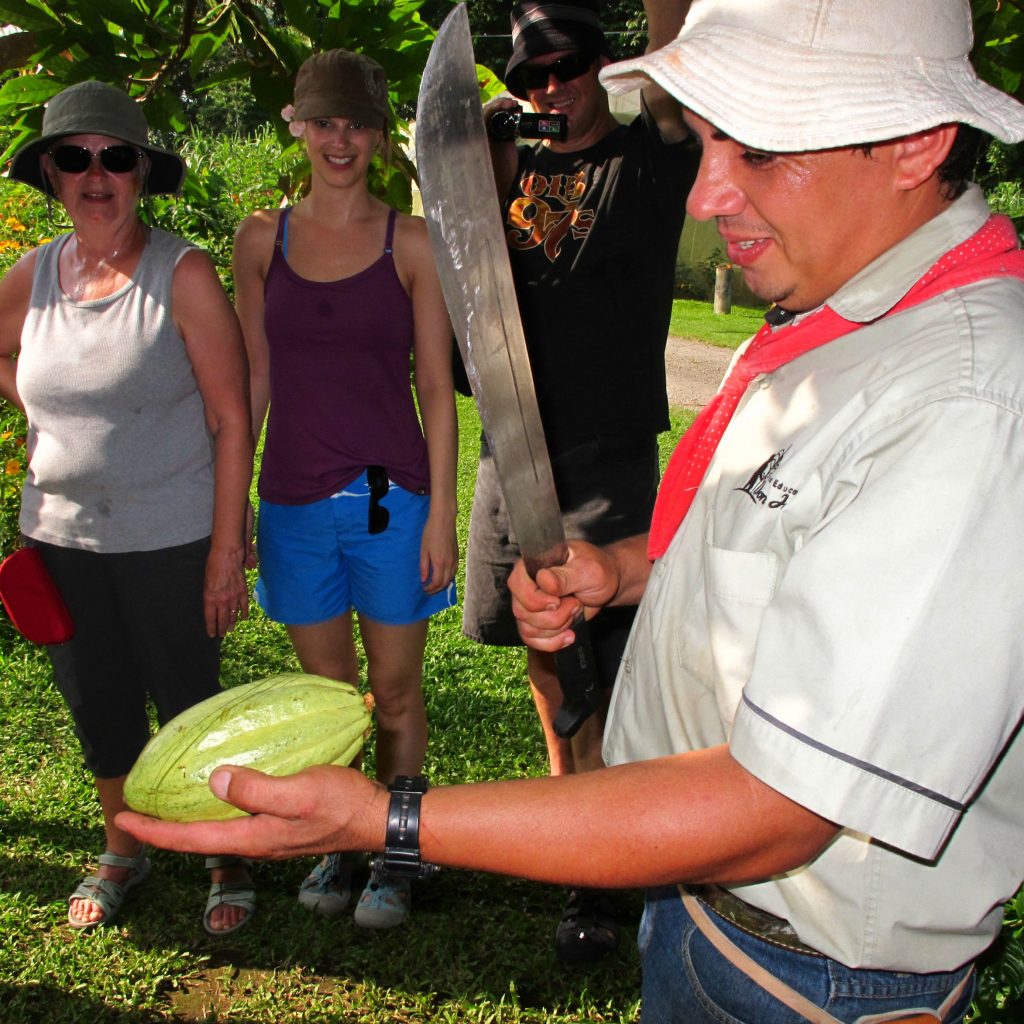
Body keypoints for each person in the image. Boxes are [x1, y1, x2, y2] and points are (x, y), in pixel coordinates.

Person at [119, 0, 1024, 1018]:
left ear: (915, 145)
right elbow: (799, 534)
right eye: (711, 138)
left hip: (809, 980)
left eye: (760, 150)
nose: (706, 194)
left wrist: (388, 818)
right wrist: (631, 568)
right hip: (704, 916)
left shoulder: (965, 400)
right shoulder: (841, 317)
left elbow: (778, 810)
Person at [462, 0, 698, 963]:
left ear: (605, 66)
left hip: (604, 450)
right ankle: (575, 813)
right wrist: (490, 152)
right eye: (529, 78)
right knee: (541, 645)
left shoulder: (649, 159)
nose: (548, 89)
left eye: (565, 69)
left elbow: (678, 65)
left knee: (607, 652)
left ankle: (612, 860)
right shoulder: (509, 164)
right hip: (510, 447)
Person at [0, 81, 255, 934]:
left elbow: (231, 417)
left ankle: (224, 853)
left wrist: (226, 550)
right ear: (51, 175)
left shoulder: (180, 273)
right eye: (75, 158)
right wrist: (33, 404)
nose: (95, 174)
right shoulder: (32, 276)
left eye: (115, 157)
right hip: (57, 537)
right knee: (99, 703)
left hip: (169, 538)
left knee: (189, 701)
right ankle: (125, 849)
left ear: (141, 172)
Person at [231, 49, 458, 930]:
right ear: (298, 126)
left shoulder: (412, 241)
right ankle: (340, 840)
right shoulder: (261, 240)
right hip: (291, 502)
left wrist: (440, 510)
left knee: (397, 692)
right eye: (324, 121)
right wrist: (240, 506)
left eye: (357, 124)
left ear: (378, 137)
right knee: (329, 703)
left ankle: (396, 852)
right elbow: (255, 377)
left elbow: (435, 386)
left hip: (387, 503)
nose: (340, 139)